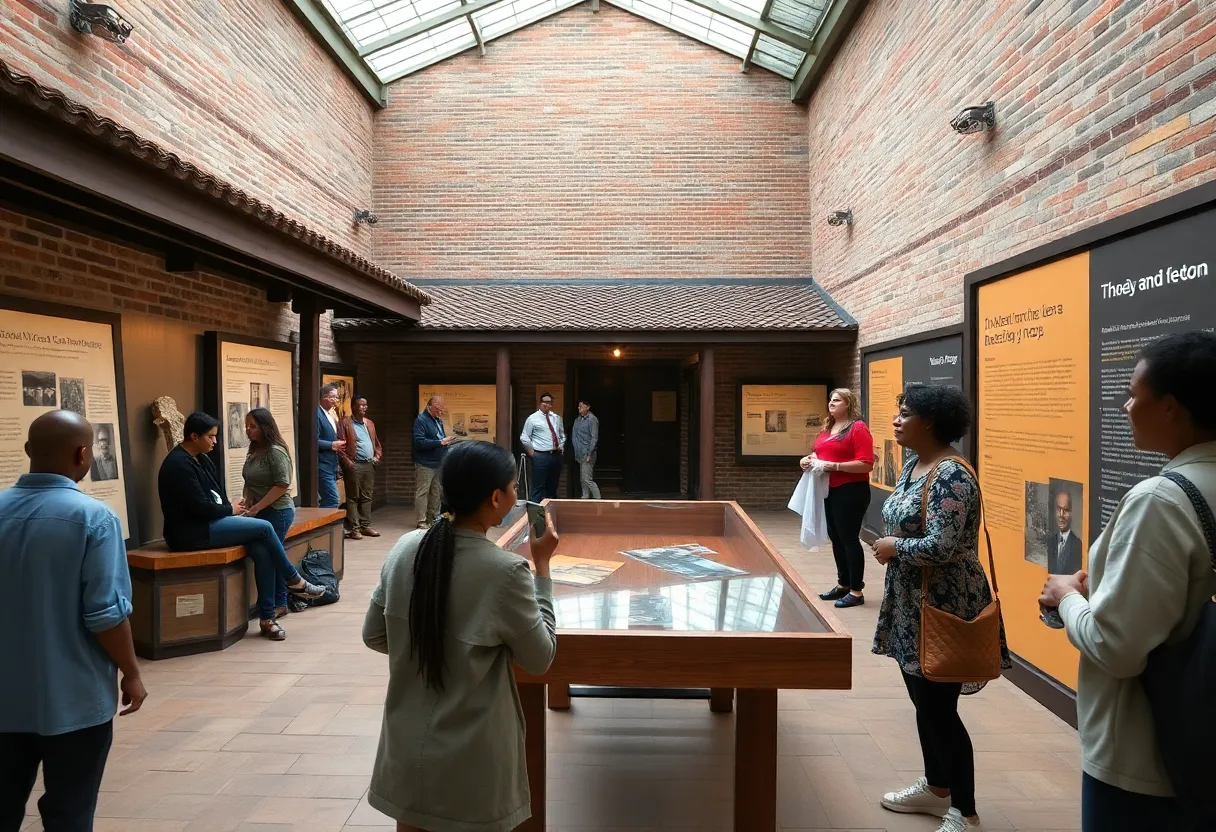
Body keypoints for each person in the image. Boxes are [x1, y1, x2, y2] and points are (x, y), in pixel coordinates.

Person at [1040, 331, 1216, 832]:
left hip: (1147, 756)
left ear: (1169, 408)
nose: (1124, 406)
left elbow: (1116, 647)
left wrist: (1068, 597)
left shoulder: (1160, 500)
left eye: (1135, 394)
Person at [363, 441, 559, 831]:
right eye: (514, 487)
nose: (517, 496)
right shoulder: (506, 572)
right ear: (494, 497)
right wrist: (542, 567)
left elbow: (374, 634)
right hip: (472, 759)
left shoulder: (404, 548)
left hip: (406, 746)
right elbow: (540, 658)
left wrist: (430, 645)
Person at [872, 384, 1010, 832]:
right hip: (913, 599)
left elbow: (945, 545)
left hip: (944, 601)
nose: (896, 420)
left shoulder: (952, 474)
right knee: (923, 700)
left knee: (940, 709)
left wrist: (895, 546)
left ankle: (964, 812)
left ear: (930, 422)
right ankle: (936, 788)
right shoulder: (916, 464)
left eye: (905, 413)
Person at [0, 410, 146, 831]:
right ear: (84, 455)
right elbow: (105, 615)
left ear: (28, 451)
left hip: (6, 697)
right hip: (75, 700)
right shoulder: (94, 518)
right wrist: (131, 673)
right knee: (70, 810)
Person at [159, 411, 325, 640]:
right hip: (191, 533)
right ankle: (294, 579)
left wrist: (229, 505)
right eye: (211, 437)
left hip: (211, 522)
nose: (215, 441)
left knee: (261, 550)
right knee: (264, 528)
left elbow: (213, 495)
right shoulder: (178, 464)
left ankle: (268, 619)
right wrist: (231, 510)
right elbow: (199, 508)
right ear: (194, 436)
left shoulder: (202, 458)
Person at [800, 388, 875, 608]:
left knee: (849, 538)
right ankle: (843, 584)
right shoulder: (828, 427)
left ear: (848, 404)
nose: (831, 403)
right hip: (827, 489)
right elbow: (820, 453)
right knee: (836, 537)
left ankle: (856, 591)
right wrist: (807, 460)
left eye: (837, 400)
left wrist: (834, 466)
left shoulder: (858, 428)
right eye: (830, 400)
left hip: (851, 490)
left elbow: (866, 463)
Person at [242, 407, 296, 628]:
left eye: (253, 426)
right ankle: (279, 602)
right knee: (271, 554)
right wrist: (248, 502)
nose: (248, 430)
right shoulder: (254, 450)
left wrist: (257, 508)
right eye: (246, 425)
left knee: (268, 554)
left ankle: (276, 604)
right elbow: (250, 481)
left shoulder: (276, 451)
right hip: (259, 511)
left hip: (278, 512)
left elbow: (282, 485)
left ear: (265, 427)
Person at [340, 396, 383, 540]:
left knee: (367, 496)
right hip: (355, 464)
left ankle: (365, 526)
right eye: (359, 405)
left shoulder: (369, 423)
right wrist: (348, 463)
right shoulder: (345, 423)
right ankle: (354, 528)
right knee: (353, 497)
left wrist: (377, 456)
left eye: (365, 405)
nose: (362, 408)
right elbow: (340, 446)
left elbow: (376, 443)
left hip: (369, 464)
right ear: (352, 406)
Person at [413, 395, 455, 529]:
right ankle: (421, 520)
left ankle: (433, 518)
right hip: (425, 463)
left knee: (436, 491)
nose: (440, 411)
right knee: (423, 492)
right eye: (438, 409)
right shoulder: (421, 420)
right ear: (429, 407)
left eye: (442, 409)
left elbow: (439, 437)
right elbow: (419, 442)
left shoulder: (438, 420)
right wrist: (440, 442)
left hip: (438, 461)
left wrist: (445, 441)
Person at [520, 392, 565, 501]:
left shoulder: (556, 418)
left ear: (552, 404)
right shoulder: (532, 418)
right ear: (540, 403)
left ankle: (551, 514)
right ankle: (535, 515)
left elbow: (562, 435)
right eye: (544, 402)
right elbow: (524, 437)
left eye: (549, 403)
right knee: (538, 487)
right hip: (540, 455)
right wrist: (532, 452)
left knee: (553, 487)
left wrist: (561, 446)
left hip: (555, 455)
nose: (547, 404)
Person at [316, 384, 345, 508]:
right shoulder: (317, 414)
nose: (336, 401)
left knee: (329, 499)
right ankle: (325, 527)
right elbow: (311, 440)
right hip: (322, 464)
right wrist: (331, 445)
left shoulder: (330, 414)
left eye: (337, 398)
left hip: (331, 464)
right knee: (332, 499)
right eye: (333, 398)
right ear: (324, 397)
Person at [1047, 489, 1083, 575]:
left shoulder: (1077, 545)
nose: (1061, 515)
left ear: (1071, 513)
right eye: (1059, 509)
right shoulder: (1050, 542)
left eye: (1065, 510)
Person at [572, 398, 601, 499]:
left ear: (587, 407)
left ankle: (599, 500)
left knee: (587, 479)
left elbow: (594, 437)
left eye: (581, 406)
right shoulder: (577, 420)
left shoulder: (592, 419)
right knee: (582, 479)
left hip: (588, 453)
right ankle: (585, 497)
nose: (579, 408)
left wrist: (589, 453)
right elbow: (574, 435)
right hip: (579, 452)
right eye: (578, 406)